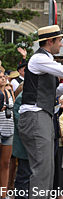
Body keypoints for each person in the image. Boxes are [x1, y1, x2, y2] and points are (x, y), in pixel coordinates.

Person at [18, 25, 63, 199]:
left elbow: (55, 91)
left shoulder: (45, 60)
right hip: (36, 116)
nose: (62, 45)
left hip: (41, 116)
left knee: (47, 168)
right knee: (43, 169)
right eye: (59, 41)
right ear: (50, 41)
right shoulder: (38, 59)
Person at [0, 70, 14, 199]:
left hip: (9, 130)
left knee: (5, 163)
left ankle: (3, 194)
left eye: (3, 76)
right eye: (0, 77)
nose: (3, 79)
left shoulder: (9, 92)